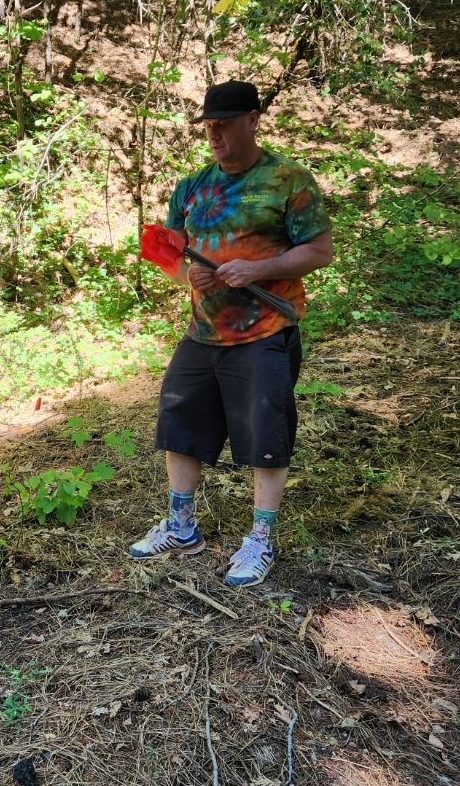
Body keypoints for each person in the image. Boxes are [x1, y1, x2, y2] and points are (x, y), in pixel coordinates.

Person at [127, 80, 333, 588]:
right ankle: (181, 526)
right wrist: (186, 275)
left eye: (224, 124)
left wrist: (257, 270)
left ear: (253, 120)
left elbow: (320, 251)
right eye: (209, 126)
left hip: (264, 331)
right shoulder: (193, 186)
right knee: (179, 424)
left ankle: (260, 540)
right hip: (202, 332)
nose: (215, 135)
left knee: (266, 436)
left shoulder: (288, 180)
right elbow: (168, 252)